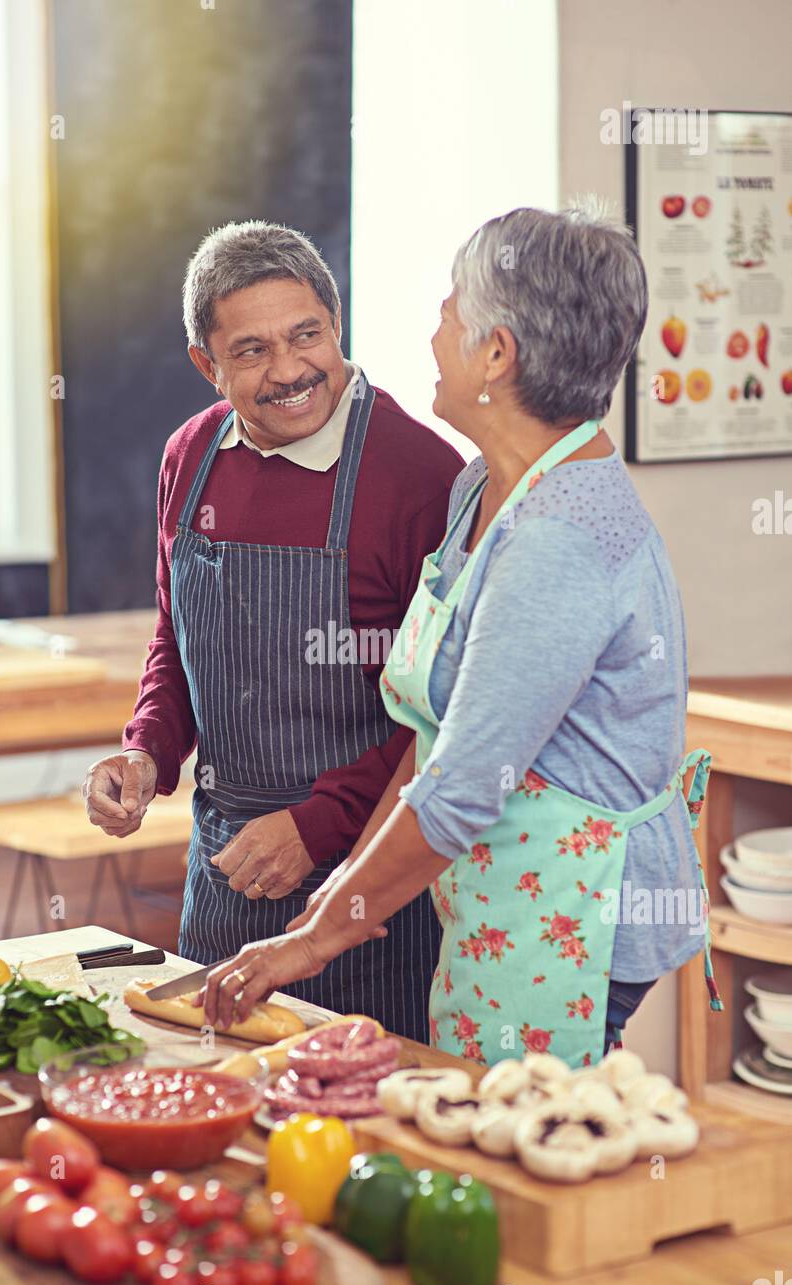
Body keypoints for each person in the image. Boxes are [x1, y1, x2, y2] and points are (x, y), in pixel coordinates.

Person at [199, 199, 721, 1068]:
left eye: (449, 310)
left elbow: (464, 786)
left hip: (569, 915)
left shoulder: (559, 540)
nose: (432, 331)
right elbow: (436, 741)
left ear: (496, 354)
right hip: (496, 900)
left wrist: (309, 943)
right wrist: (341, 901)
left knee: (527, 1165)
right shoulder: (482, 486)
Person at [82, 220, 463, 1042]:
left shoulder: (421, 475)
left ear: (337, 322)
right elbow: (177, 640)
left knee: (360, 1140)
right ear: (206, 366)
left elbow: (448, 715)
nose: (289, 371)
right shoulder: (189, 456)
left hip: (368, 886)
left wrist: (318, 825)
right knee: (217, 1115)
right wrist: (146, 748)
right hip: (222, 874)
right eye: (251, 351)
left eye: (307, 335)